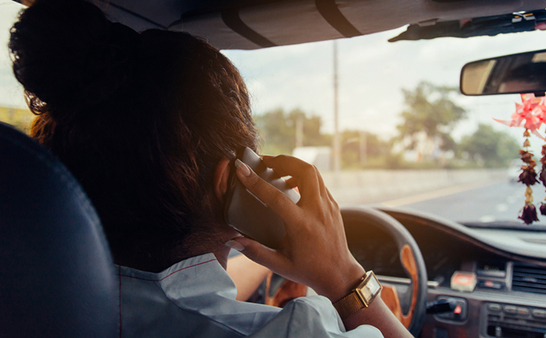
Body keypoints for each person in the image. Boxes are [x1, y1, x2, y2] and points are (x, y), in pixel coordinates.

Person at [9, 0, 413, 337]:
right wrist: (346, 280)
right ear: (228, 182)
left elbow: (170, 290)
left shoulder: (29, 304)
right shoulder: (298, 329)